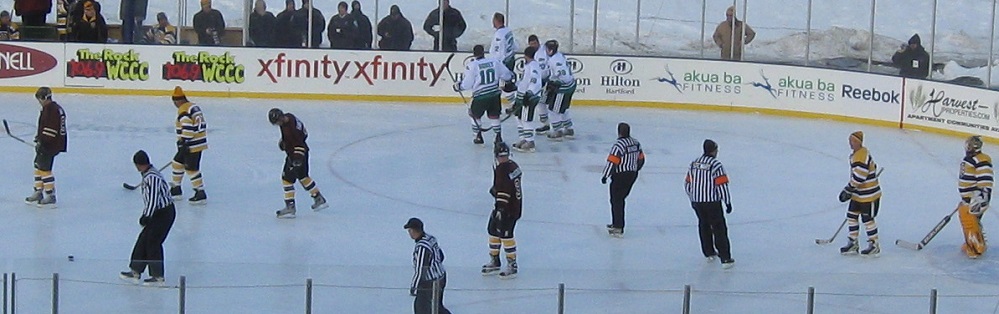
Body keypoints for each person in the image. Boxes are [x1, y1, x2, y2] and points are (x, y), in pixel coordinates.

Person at [119, 150, 176, 286]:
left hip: (164, 213)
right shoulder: (148, 174)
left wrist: (146, 216)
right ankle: (135, 271)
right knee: (143, 240)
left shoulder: (152, 178)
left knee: (153, 242)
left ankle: (158, 276)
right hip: (157, 212)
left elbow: (153, 199)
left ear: (138, 165)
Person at [268, 108, 328, 218]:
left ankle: (290, 206)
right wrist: (284, 141)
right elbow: (303, 134)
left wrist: (297, 159)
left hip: (296, 155)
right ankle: (318, 198)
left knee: (286, 179)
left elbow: (298, 142)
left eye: (278, 121)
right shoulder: (289, 117)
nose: (278, 124)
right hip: (303, 152)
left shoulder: (290, 129)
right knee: (303, 176)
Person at [684, 139, 734, 269]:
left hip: (697, 201)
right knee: (719, 228)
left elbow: (687, 183)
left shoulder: (694, 163)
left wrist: (692, 198)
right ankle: (725, 258)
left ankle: (708, 252)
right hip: (712, 202)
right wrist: (727, 202)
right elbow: (721, 185)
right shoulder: (716, 165)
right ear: (713, 150)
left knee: (703, 225)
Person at [455, 44, 513, 145]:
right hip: (495, 95)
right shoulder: (494, 62)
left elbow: (468, 84)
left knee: (474, 116)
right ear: (483, 52)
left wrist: (459, 87)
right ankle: (498, 137)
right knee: (494, 116)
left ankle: (477, 136)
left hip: (480, 96)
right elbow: (507, 75)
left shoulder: (472, 65)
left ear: (474, 54)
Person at [837, 131, 882, 257]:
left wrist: (848, 189)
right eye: (850, 141)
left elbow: (860, 177)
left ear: (859, 142)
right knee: (851, 216)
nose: (850, 143)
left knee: (867, 219)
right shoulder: (858, 154)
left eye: (853, 141)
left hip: (869, 195)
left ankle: (874, 245)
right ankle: (853, 242)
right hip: (858, 194)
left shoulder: (861, 155)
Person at [481, 142, 523, 278]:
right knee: (492, 230)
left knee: (506, 234)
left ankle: (512, 264)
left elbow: (505, 189)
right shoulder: (513, 165)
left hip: (508, 208)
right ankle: (495, 260)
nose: (502, 158)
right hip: (513, 206)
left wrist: (501, 208)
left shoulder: (502, 169)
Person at [24, 87, 66, 208]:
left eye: (39, 99)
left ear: (43, 98)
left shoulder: (51, 110)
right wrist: (39, 138)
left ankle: (50, 195)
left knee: (45, 169)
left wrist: (43, 142)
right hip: (51, 143)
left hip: (50, 144)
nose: (39, 102)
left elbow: (51, 130)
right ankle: (38, 191)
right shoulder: (54, 108)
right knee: (38, 165)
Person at [601, 122, 645, 237]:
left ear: (619, 132)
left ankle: (618, 227)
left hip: (620, 176)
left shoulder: (619, 145)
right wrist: (635, 170)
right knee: (620, 199)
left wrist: (605, 175)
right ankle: (617, 223)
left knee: (616, 200)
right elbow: (641, 158)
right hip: (632, 175)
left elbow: (612, 161)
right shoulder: (636, 143)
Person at [169, 86, 208, 204]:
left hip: (191, 144)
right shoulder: (193, 106)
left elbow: (188, 127)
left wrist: (184, 143)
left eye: (175, 102)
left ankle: (200, 192)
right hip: (197, 142)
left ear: (178, 100)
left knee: (191, 168)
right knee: (177, 163)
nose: (175, 104)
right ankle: (176, 189)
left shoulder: (184, 110)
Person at [404, 217, 451, 314]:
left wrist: (414, 287)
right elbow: (441, 256)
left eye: (409, 230)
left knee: (421, 308)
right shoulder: (431, 238)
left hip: (431, 282)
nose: (409, 233)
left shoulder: (422, 247)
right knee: (436, 306)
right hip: (441, 276)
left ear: (413, 231)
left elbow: (421, 269)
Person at [957, 135, 993, 259]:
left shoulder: (981, 160)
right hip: (969, 198)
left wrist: (981, 198)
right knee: (970, 219)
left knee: (969, 220)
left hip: (976, 199)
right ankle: (974, 243)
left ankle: (975, 248)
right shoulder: (971, 159)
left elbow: (986, 182)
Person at [542, 40, 577, 141]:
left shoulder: (554, 60)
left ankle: (558, 131)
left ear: (550, 50)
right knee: (563, 109)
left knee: (553, 110)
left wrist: (555, 82)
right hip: (571, 85)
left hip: (563, 88)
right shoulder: (559, 55)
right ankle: (569, 129)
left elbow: (562, 74)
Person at [511, 45, 542, 153]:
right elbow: (525, 80)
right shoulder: (528, 65)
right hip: (522, 96)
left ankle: (530, 142)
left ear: (525, 55)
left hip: (529, 97)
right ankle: (523, 138)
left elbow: (534, 80)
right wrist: (515, 85)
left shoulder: (534, 66)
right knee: (518, 117)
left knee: (526, 119)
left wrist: (529, 93)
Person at [526, 35, 551, 134]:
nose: (533, 45)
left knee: (550, 104)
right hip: (539, 82)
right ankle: (545, 124)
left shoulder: (544, 50)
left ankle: (557, 125)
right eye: (531, 44)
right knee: (541, 102)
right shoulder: (530, 54)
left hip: (548, 80)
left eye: (535, 43)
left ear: (538, 42)